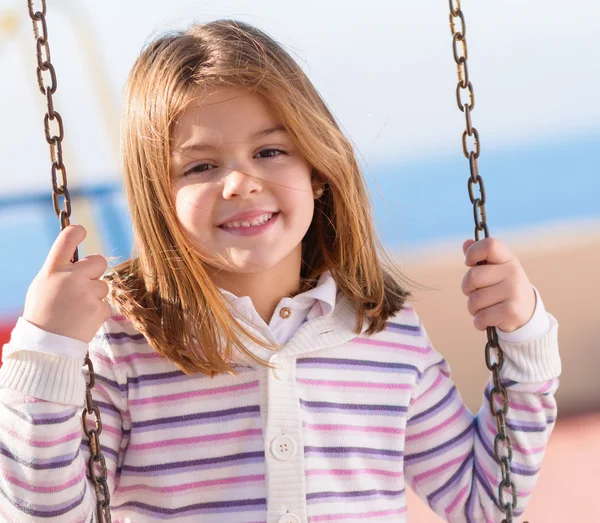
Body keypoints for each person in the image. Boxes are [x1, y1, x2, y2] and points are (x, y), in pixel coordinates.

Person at [0, 19, 560, 523]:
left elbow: (488, 502)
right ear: (157, 197)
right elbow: (49, 514)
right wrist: (46, 348)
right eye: (201, 165)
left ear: (318, 169)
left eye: (270, 152)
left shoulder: (386, 337)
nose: (240, 182)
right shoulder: (125, 346)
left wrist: (525, 339)